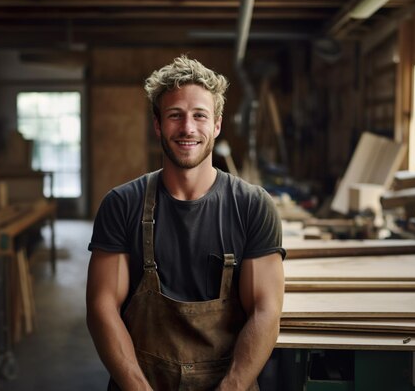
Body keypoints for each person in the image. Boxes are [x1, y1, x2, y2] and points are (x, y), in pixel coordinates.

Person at [86, 55, 285, 391]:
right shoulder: (121, 205)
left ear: (217, 125)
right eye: (175, 115)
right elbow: (101, 307)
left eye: (199, 116)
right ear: (157, 124)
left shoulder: (253, 206)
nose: (188, 128)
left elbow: (266, 311)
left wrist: (232, 387)